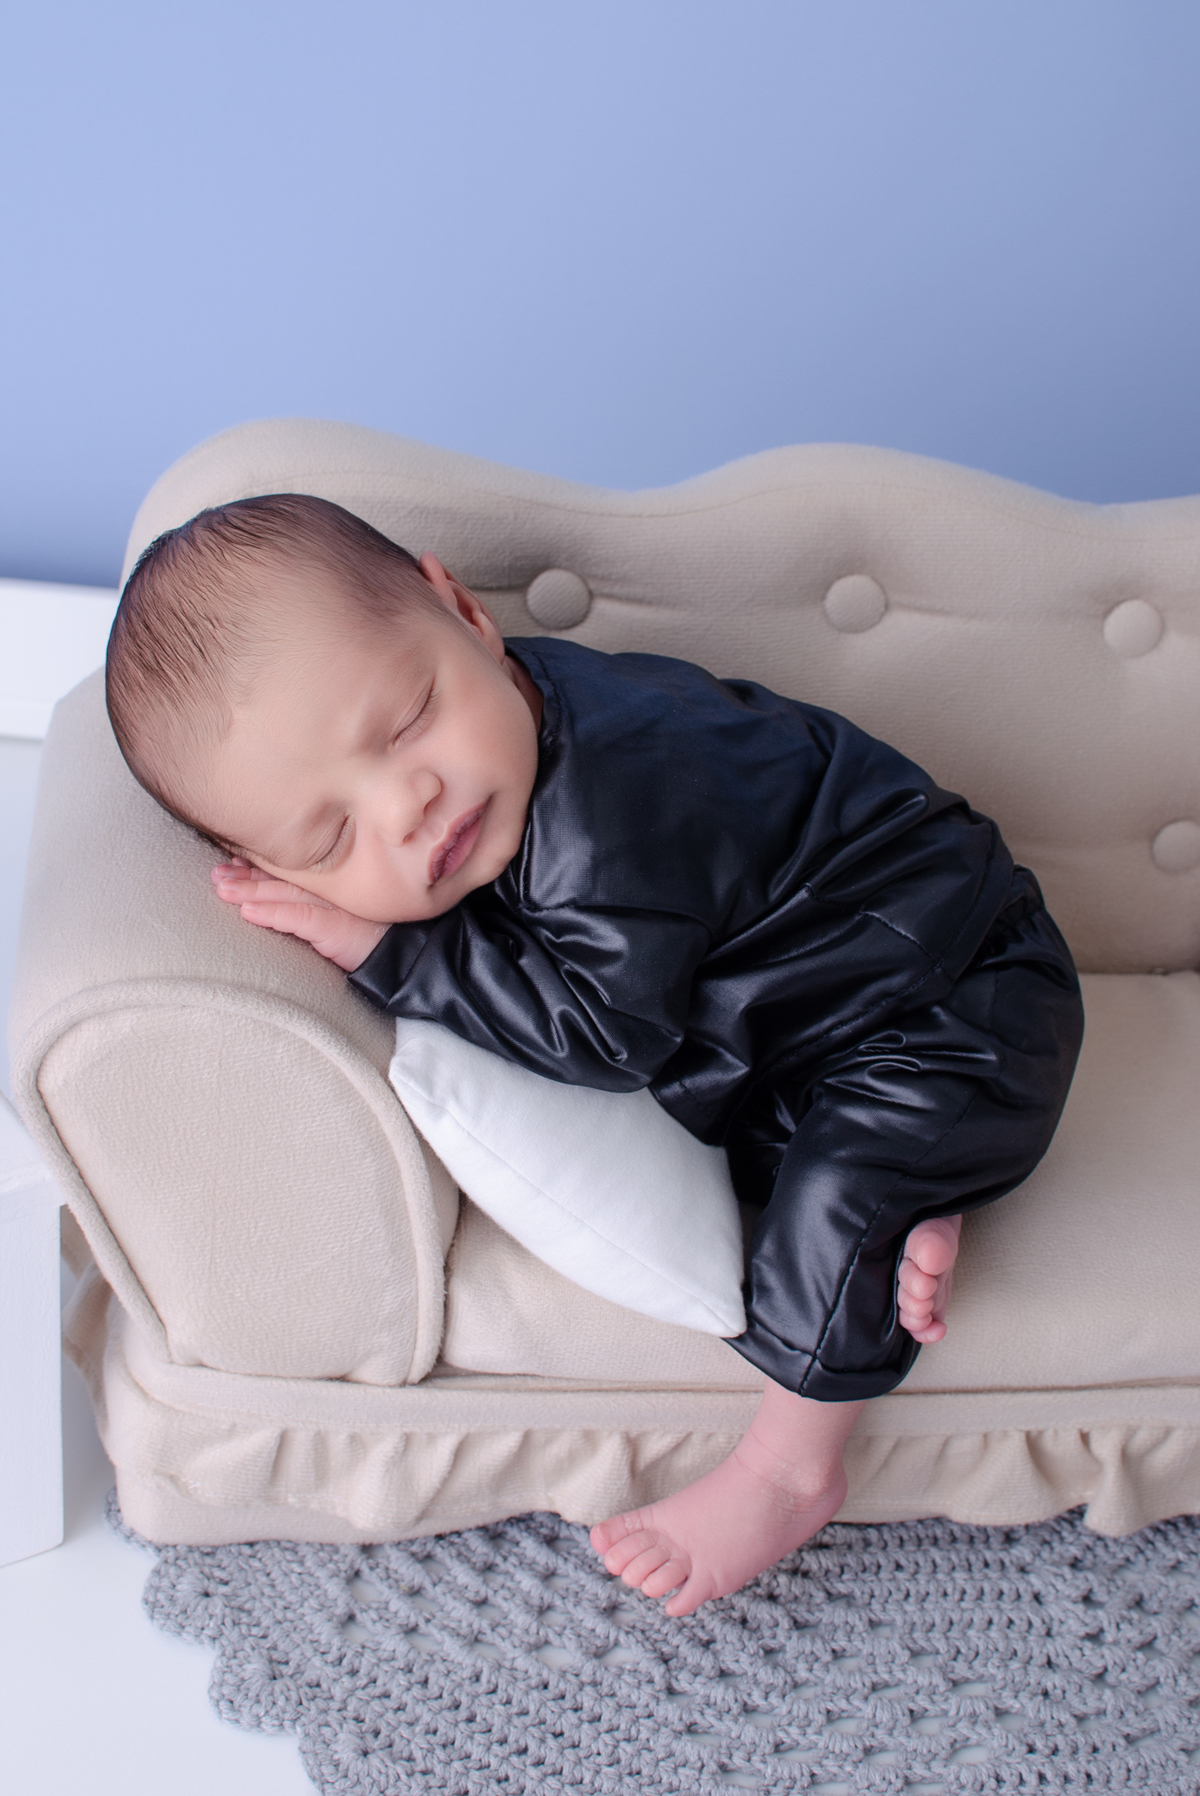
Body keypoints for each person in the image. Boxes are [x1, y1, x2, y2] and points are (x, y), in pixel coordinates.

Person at [105, 493, 1084, 1617]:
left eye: (409, 720)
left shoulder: (611, 809)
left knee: (834, 1184)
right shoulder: (516, 720)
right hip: (818, 1019)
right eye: (330, 838)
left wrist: (394, 953)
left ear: (464, 613)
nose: (408, 804)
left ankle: (788, 1469)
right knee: (753, 1138)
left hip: (963, 996)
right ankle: (919, 1199)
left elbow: (606, 1039)